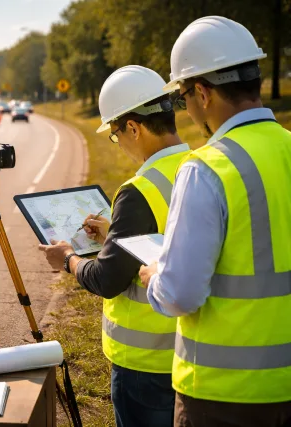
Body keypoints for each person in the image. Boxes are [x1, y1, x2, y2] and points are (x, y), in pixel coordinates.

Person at [138, 16, 291, 427]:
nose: (184, 109)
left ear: (202, 93)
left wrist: (154, 275)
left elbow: (180, 295)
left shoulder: (207, 168)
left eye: (181, 96)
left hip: (223, 397)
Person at [39, 65, 190, 427]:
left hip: (145, 365)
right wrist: (114, 239)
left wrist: (68, 260)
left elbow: (108, 279)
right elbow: (171, 244)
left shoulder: (139, 190)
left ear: (134, 128)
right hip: (190, 352)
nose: (118, 143)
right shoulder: (198, 166)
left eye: (115, 134)